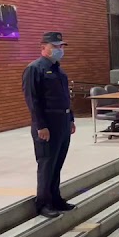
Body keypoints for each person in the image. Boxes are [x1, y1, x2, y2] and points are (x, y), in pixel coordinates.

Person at [22, 31, 77, 218]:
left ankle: (55, 199)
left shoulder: (59, 71)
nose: (59, 49)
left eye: (61, 46)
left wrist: (70, 119)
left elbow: (65, 98)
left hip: (63, 123)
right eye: (55, 46)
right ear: (43, 47)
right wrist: (41, 126)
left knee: (57, 163)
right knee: (46, 164)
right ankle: (43, 203)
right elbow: (33, 100)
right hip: (47, 126)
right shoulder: (34, 69)